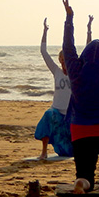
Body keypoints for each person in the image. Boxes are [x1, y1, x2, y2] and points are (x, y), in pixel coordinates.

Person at [61, 0, 99, 194]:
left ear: (84, 58)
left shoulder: (76, 72)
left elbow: (68, 47)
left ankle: (82, 183)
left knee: (84, 174)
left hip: (81, 133)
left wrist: (69, 18)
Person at [33, 18, 73, 159]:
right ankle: (43, 152)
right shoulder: (56, 71)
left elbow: (88, 48)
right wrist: (45, 31)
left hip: (71, 113)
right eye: (61, 59)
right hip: (56, 110)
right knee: (47, 116)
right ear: (59, 60)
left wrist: (88, 29)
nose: (63, 62)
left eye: (66, 59)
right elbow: (43, 52)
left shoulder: (77, 72)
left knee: (67, 150)